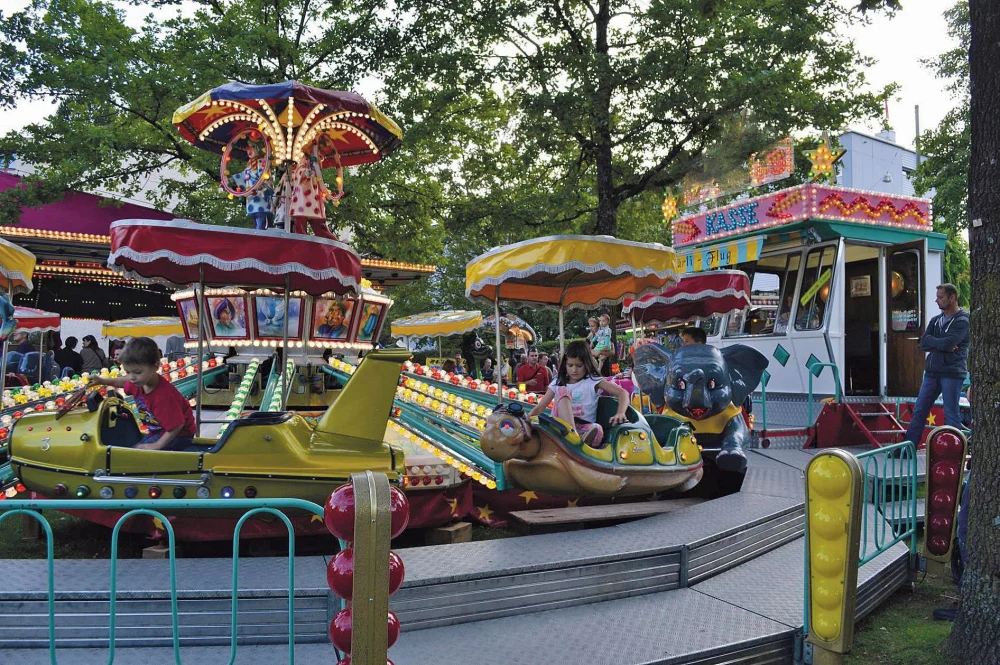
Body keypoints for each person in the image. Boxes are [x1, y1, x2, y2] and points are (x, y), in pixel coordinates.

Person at [89, 337, 196, 451]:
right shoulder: (139, 382)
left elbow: (177, 426)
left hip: (179, 435)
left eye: (137, 372)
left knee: (136, 453)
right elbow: (124, 381)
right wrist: (102, 381)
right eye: (128, 372)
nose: (132, 377)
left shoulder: (163, 396)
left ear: (155, 366)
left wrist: (156, 445)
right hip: (159, 431)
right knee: (133, 446)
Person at [528, 340, 631, 448]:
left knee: (597, 429)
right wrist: (526, 419)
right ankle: (573, 437)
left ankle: (577, 440)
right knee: (563, 391)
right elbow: (540, 407)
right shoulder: (558, 382)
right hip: (560, 427)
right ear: (565, 365)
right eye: (570, 365)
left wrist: (620, 412)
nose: (574, 370)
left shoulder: (593, 380)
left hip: (583, 428)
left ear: (587, 364)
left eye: (579, 366)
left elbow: (622, 393)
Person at [903, 283, 970, 445]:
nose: (936, 300)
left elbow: (948, 343)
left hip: (952, 373)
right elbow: (923, 343)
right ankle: (909, 447)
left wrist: (937, 344)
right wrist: (942, 345)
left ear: (952, 298)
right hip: (932, 373)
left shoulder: (963, 321)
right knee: (919, 410)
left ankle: (956, 451)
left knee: (951, 414)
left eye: (940, 297)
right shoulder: (936, 320)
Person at [289, 135, 338, 240]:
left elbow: (318, 183)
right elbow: (300, 174)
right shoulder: (304, 163)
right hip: (302, 201)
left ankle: (333, 244)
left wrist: (325, 195)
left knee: (320, 228)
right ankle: (302, 247)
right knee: (300, 229)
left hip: (313, 203)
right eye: (319, 151)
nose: (321, 156)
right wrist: (310, 172)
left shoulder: (315, 168)